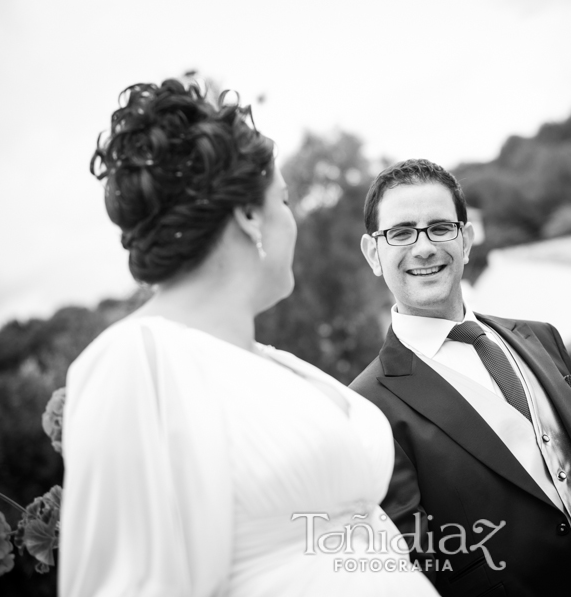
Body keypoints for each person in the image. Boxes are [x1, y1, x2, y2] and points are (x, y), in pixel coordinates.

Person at [58, 80, 438, 596]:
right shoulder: (135, 360)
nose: (293, 219)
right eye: (283, 199)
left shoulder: (273, 362)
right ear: (250, 215)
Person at [350, 159, 571, 597]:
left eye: (440, 228)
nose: (424, 247)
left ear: (467, 240)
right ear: (373, 253)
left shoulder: (541, 339)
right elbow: (416, 568)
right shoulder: (366, 405)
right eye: (400, 233)